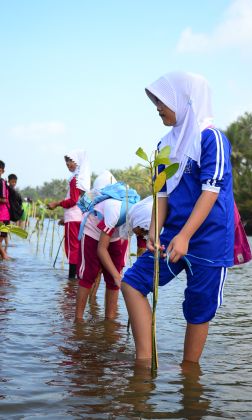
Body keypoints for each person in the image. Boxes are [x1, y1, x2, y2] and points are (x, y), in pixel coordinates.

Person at [121, 71, 234, 364]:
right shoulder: (163, 146)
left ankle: (188, 372)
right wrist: (155, 233)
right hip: (171, 236)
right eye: (155, 101)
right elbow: (161, 195)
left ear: (186, 100)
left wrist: (185, 236)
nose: (157, 107)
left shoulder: (212, 139)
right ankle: (145, 364)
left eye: (162, 100)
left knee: (199, 308)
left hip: (209, 238)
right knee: (132, 283)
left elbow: (210, 191)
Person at [75, 170, 139, 321]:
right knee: (88, 275)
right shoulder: (115, 209)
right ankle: (78, 320)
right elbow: (101, 249)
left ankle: (110, 321)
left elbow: (143, 249)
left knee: (113, 277)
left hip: (116, 235)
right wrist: (118, 277)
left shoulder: (144, 218)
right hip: (94, 232)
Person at [48, 150, 91, 279]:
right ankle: (78, 279)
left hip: (73, 219)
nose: (68, 164)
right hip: (80, 218)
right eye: (66, 162)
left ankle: (72, 280)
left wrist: (56, 203)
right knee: (79, 248)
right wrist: (64, 218)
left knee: (72, 249)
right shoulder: (82, 180)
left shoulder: (75, 180)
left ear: (77, 162)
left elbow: (72, 201)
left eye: (71, 161)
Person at [0, 160, 10, 259]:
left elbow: (3, 199)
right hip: (3, 215)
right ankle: (4, 256)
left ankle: (4, 255)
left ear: (2, 171)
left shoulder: (2, 182)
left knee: (3, 234)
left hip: (3, 215)